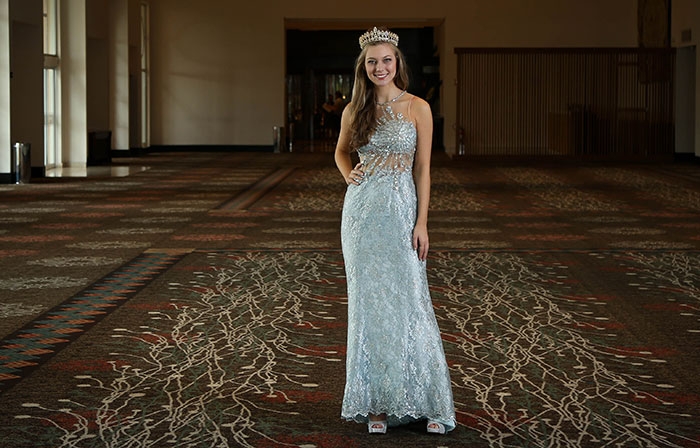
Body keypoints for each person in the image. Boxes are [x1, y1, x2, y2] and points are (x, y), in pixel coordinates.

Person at [334, 26, 456, 435]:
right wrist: (350, 174)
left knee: (410, 300)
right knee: (369, 309)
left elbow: (422, 169)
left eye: (386, 60)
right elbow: (340, 150)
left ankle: (428, 399)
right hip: (362, 216)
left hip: (402, 214)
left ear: (397, 63)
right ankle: (378, 404)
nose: (380, 67)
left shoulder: (418, 107)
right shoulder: (355, 108)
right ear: (363, 67)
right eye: (372, 62)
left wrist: (422, 222)